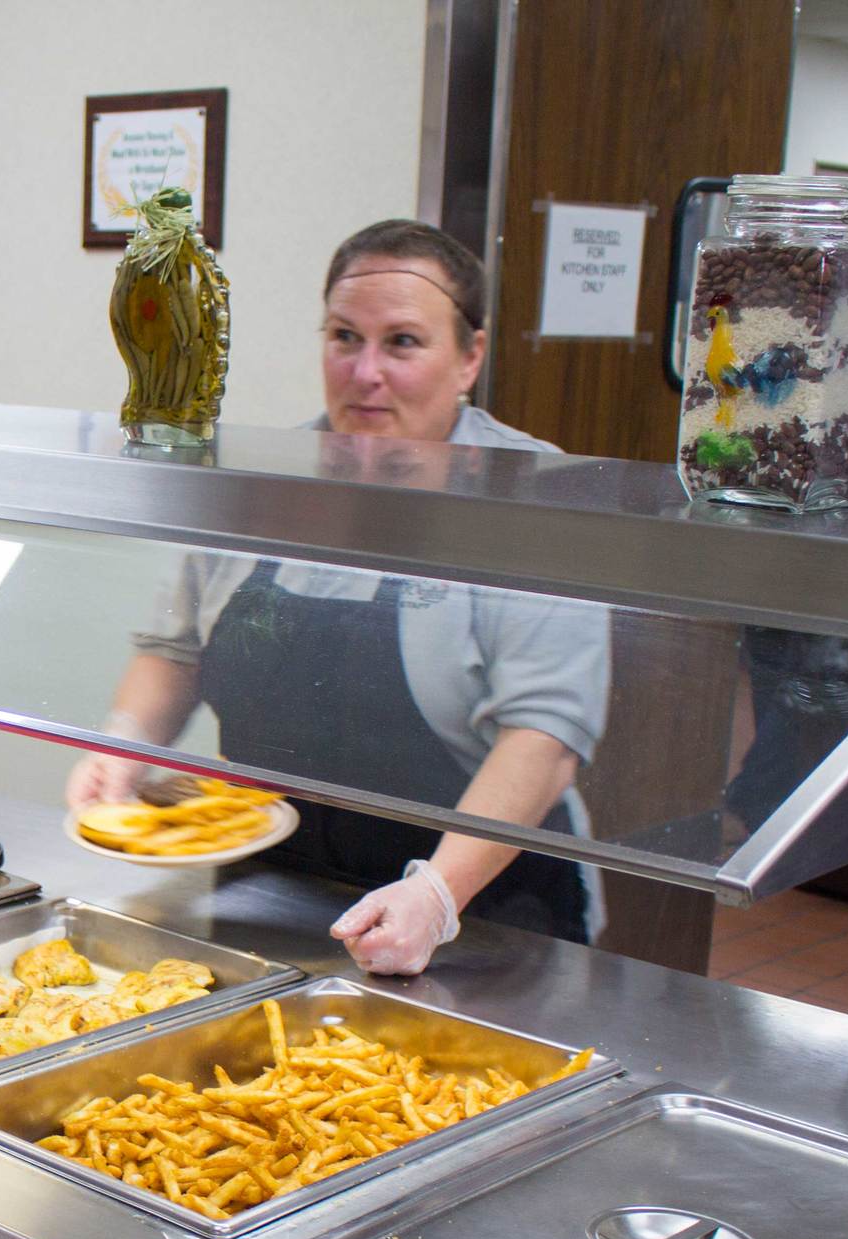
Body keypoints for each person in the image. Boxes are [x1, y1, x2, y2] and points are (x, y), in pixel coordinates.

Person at [69, 220, 608, 976]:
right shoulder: (263, 483)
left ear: (470, 357)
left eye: (403, 343)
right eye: (345, 337)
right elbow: (173, 650)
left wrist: (436, 897)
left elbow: (544, 741)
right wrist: (119, 748)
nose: (365, 372)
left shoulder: (534, 502)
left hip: (484, 919)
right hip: (273, 892)